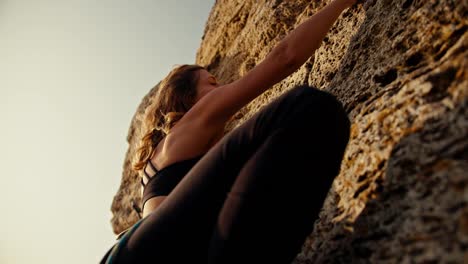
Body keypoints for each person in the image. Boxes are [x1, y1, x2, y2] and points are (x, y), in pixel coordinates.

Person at [100, 0, 357, 263]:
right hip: (155, 253)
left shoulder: (158, 164)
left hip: (163, 252)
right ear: (188, 98)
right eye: (213, 83)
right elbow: (285, 58)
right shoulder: (195, 120)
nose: (222, 90)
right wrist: (341, 4)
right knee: (306, 107)